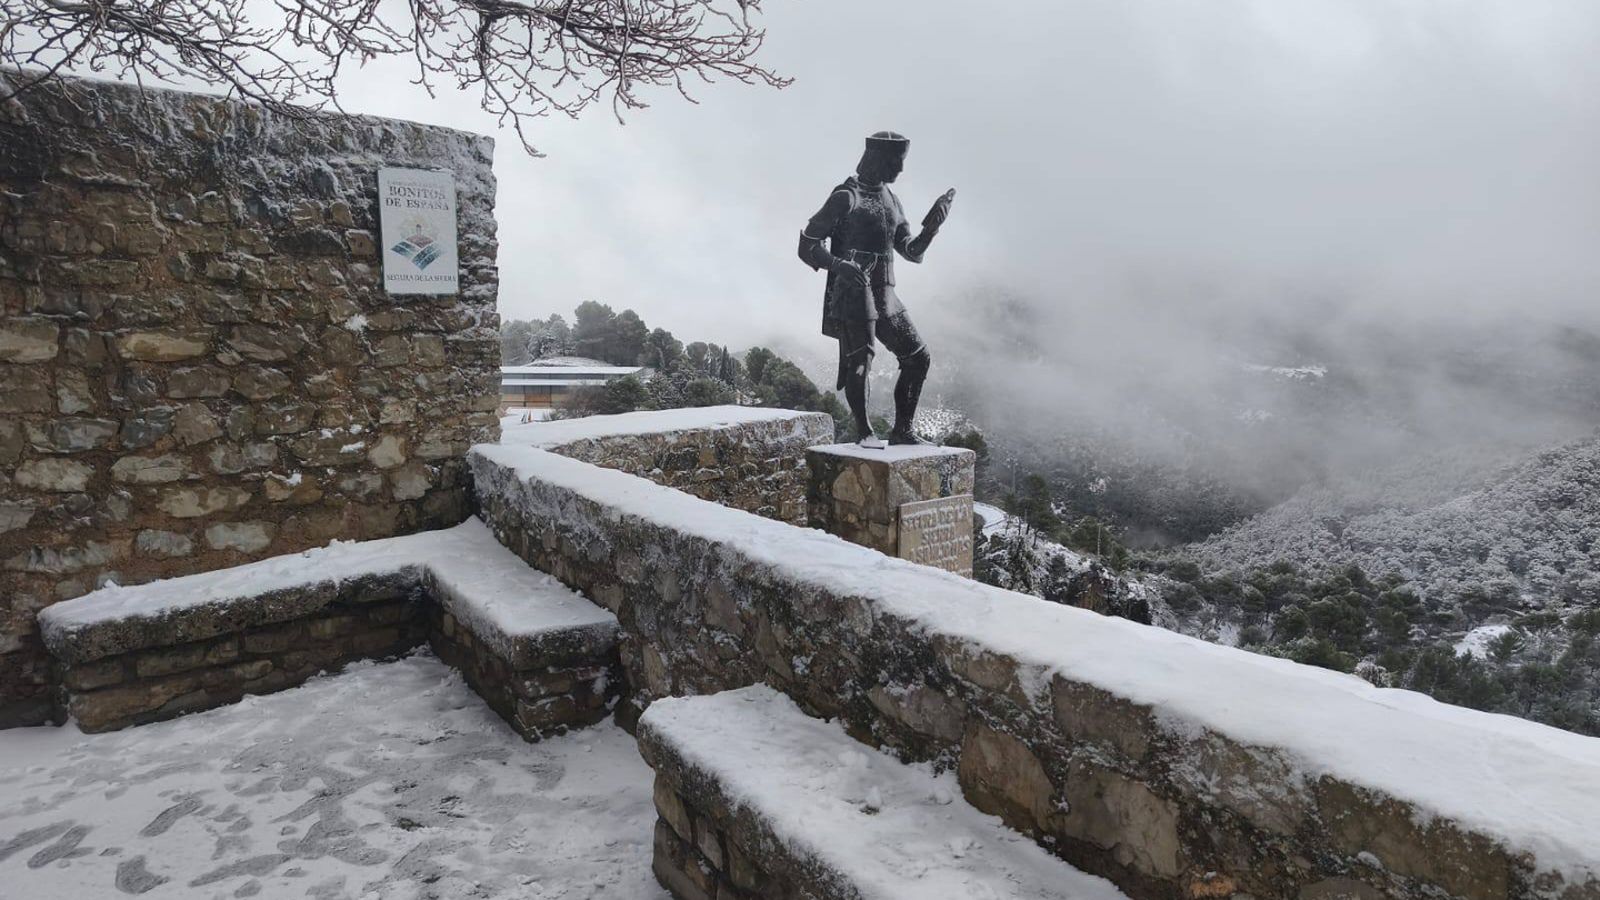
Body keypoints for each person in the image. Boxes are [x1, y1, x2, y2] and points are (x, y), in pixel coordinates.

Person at [798, 131, 955, 447]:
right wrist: (840, 265)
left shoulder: (892, 200)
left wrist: (932, 228)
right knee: (861, 361)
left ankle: (903, 430)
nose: (900, 170)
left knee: (918, 358)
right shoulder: (846, 196)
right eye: (896, 162)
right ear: (878, 160)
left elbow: (912, 252)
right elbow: (808, 244)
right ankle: (865, 431)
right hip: (854, 290)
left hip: (886, 292)